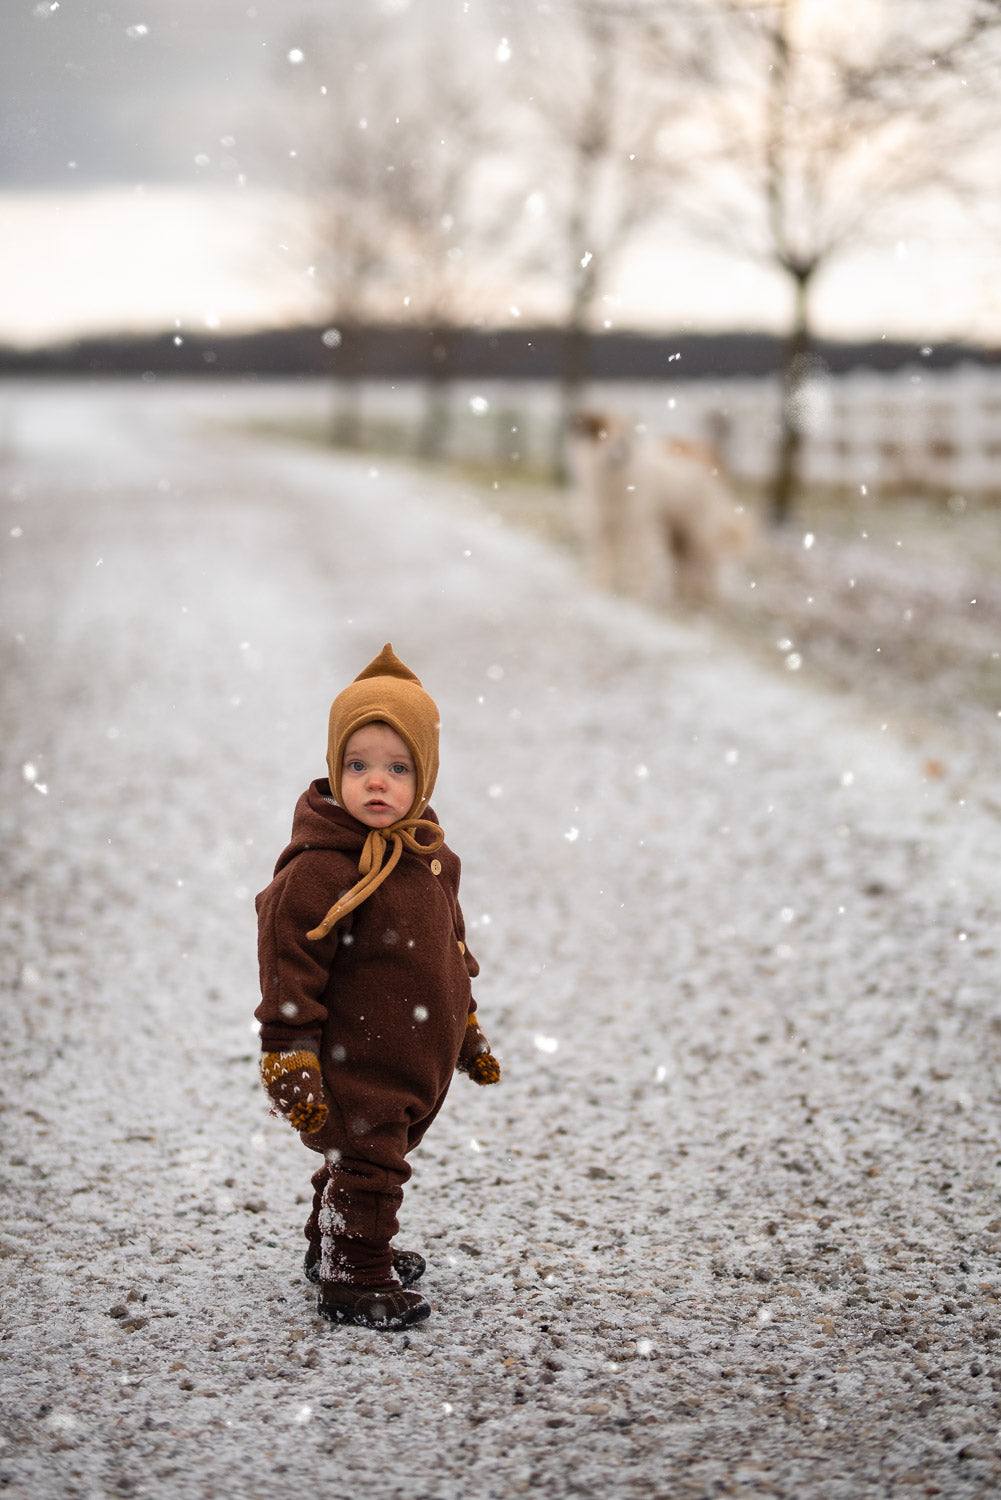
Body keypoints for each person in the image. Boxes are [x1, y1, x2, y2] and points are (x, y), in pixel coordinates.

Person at [255, 643, 500, 1331]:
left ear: (424, 776)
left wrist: (466, 1028)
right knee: (369, 1162)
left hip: (409, 1052)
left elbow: (450, 952)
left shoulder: (430, 856)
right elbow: (286, 959)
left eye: (398, 768)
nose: (376, 782)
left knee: (359, 1156)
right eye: (357, 765)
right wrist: (288, 1048)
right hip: (354, 1060)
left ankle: (329, 1237)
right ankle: (353, 1274)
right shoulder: (319, 870)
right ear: (335, 767)